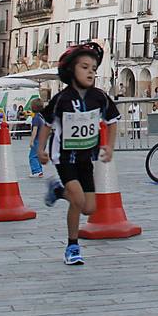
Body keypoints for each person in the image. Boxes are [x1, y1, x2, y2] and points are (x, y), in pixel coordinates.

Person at [38, 42, 118, 266]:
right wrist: (40, 148)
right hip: (64, 157)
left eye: (93, 67)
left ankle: (57, 191)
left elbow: (112, 122)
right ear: (71, 70)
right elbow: (45, 123)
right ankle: (72, 247)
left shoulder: (100, 97)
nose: (91, 71)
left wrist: (109, 146)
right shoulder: (61, 99)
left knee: (89, 208)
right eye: (84, 67)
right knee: (79, 200)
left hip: (86, 159)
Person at [27, 99, 46, 178]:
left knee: (32, 156)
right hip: (43, 140)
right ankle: (40, 170)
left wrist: (31, 141)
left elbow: (34, 130)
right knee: (38, 156)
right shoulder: (41, 117)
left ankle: (36, 171)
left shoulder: (35, 118)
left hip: (37, 140)